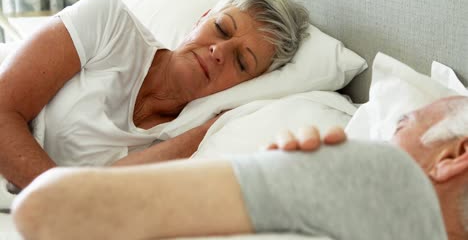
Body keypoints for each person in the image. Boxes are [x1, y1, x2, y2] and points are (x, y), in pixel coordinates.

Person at [11, 95, 468, 239]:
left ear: (454, 156)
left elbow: (44, 209)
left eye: (401, 125)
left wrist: (306, 174)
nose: (384, 137)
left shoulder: (384, 179)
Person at [0, 0, 310, 190]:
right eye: (221, 29)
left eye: (242, 62)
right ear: (201, 19)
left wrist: (211, 127)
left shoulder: (196, 132)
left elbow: (103, 190)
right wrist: (59, 202)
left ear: (251, 83)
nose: (219, 52)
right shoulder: (108, 23)